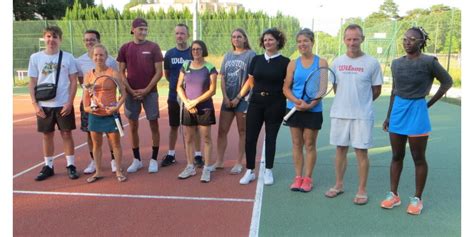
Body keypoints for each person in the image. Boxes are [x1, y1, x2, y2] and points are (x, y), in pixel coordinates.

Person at [380, 27, 452, 215]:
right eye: (405, 39)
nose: (407, 42)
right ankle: (393, 195)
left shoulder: (429, 61)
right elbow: (394, 91)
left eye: (412, 39)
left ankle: (417, 198)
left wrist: (428, 103)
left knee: (418, 157)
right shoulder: (396, 63)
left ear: (421, 42)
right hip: (398, 112)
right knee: (396, 156)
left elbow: (447, 81)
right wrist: (389, 116)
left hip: (417, 111)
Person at [324, 24, 383, 205]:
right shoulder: (337, 62)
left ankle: (361, 190)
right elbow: (336, 88)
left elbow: (377, 90)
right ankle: (339, 185)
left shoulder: (372, 63)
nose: (352, 42)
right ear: (344, 40)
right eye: (349, 39)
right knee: (340, 149)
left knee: (361, 152)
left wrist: (361, 103)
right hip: (340, 113)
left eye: (356, 38)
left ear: (362, 39)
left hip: (362, 116)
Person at [237, 28, 290, 185]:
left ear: (278, 42)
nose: (267, 42)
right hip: (256, 103)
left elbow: (287, 85)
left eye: (271, 39)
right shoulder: (256, 59)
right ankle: (250, 171)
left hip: (276, 104)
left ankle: (268, 170)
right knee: (250, 138)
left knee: (271, 138)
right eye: (265, 40)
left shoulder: (286, 62)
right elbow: (251, 81)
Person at [28, 25, 79, 181]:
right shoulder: (35, 57)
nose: (51, 40)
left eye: (55, 37)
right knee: (47, 135)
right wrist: (35, 105)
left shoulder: (68, 57)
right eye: (49, 36)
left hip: (63, 103)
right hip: (44, 105)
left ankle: (71, 165)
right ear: (44, 38)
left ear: (60, 39)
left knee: (66, 134)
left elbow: (73, 81)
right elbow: (32, 82)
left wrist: (69, 103)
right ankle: (48, 166)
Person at [282, 28, 328, 192]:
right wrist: (296, 101)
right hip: (294, 108)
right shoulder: (293, 63)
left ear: (312, 42)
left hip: (313, 110)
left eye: (305, 41)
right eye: (299, 42)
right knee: (296, 143)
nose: (302, 44)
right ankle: (298, 177)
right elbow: (286, 88)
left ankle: (308, 178)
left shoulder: (321, 62)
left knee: (309, 144)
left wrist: (309, 105)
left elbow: (322, 89)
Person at [117, 17, 163, 173]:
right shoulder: (125, 48)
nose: (143, 32)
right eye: (140, 29)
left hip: (150, 93)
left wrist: (146, 90)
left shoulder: (153, 47)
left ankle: (154, 159)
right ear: (133, 30)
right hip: (131, 94)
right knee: (133, 126)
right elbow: (121, 72)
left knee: (153, 124)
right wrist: (130, 90)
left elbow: (159, 72)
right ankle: (136, 160)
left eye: (145, 29)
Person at [212, 28, 256, 174]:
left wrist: (238, 97)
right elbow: (222, 76)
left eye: (239, 37)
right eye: (233, 37)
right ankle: (219, 161)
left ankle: (238, 163)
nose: (236, 39)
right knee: (221, 131)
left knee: (242, 131)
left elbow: (250, 80)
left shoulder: (251, 55)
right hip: (227, 99)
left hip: (243, 100)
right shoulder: (228, 55)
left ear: (245, 39)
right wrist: (225, 96)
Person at [76, 30, 119, 174]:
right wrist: (88, 103)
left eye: (92, 39)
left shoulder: (111, 62)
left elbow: (118, 84)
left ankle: (114, 161)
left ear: (98, 41)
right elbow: (82, 83)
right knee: (90, 134)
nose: (89, 42)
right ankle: (94, 163)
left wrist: (115, 105)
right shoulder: (79, 61)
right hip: (91, 105)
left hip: (109, 106)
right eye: (86, 40)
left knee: (111, 136)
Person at [82, 44, 127, 183]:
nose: (98, 57)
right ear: (92, 57)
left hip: (111, 115)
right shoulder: (88, 75)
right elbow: (86, 99)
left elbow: (123, 94)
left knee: (115, 144)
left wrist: (116, 108)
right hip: (95, 116)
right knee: (96, 145)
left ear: (106, 56)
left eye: (101, 55)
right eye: (96, 55)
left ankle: (119, 170)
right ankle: (98, 172)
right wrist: (88, 108)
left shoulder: (114, 73)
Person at [162, 23, 204, 168]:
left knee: (195, 127)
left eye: (182, 33)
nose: (179, 36)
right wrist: (177, 88)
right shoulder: (169, 54)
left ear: (188, 35)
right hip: (174, 97)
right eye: (177, 33)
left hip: (192, 98)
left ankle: (198, 155)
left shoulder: (192, 52)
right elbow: (167, 74)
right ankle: (171, 154)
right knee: (174, 126)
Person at [176, 40, 218, 182]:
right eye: (193, 49)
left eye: (198, 49)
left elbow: (212, 90)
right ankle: (190, 166)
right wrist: (187, 103)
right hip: (188, 107)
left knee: (206, 138)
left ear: (203, 50)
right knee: (188, 138)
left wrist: (196, 101)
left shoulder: (210, 67)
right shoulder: (185, 65)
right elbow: (179, 87)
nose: (196, 51)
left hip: (204, 108)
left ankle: (206, 168)